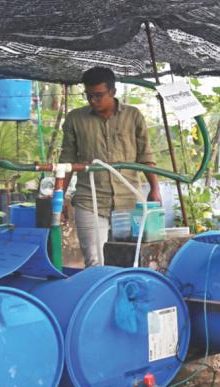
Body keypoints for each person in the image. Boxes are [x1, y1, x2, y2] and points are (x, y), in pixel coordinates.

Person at [59, 67, 161, 267]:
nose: (93, 101)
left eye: (98, 95)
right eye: (88, 96)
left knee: (130, 259)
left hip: (129, 199)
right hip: (90, 199)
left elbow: (146, 155)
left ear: (113, 92)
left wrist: (154, 190)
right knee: (95, 261)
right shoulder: (75, 119)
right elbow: (67, 160)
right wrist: (60, 195)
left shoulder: (133, 116)